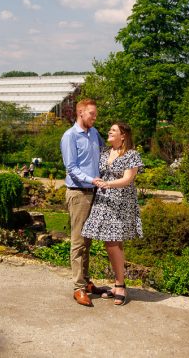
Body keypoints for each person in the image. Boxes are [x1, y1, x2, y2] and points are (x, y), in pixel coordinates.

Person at [81, 122, 143, 305]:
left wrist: (108, 184)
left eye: (113, 130)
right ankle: (117, 284)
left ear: (123, 136)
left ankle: (120, 285)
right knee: (109, 243)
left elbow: (128, 179)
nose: (109, 132)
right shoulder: (105, 153)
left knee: (114, 243)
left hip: (120, 203)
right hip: (103, 201)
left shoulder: (132, 154)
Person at [60, 98, 106, 306]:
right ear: (80, 113)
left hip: (94, 192)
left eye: (95, 114)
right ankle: (78, 288)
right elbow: (72, 168)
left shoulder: (94, 133)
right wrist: (91, 179)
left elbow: (105, 154)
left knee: (88, 241)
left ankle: (86, 282)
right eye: (92, 114)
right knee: (78, 242)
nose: (95, 118)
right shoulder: (70, 137)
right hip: (79, 193)